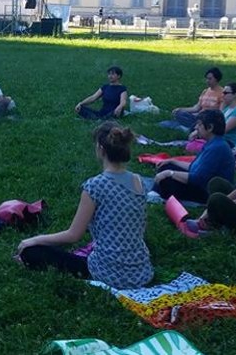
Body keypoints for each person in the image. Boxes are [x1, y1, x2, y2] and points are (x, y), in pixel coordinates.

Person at [16, 122, 153, 290]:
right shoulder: (139, 182)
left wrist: (33, 240)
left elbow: (73, 235)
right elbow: (141, 228)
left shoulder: (95, 186)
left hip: (108, 274)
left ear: (100, 149)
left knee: (31, 252)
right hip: (142, 272)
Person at [152, 110, 235, 204]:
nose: (196, 127)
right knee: (166, 166)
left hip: (206, 192)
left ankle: (154, 195)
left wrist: (169, 173)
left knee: (167, 179)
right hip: (201, 182)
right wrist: (172, 161)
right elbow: (193, 167)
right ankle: (155, 192)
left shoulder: (217, 148)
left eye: (199, 125)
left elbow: (197, 179)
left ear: (210, 127)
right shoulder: (212, 143)